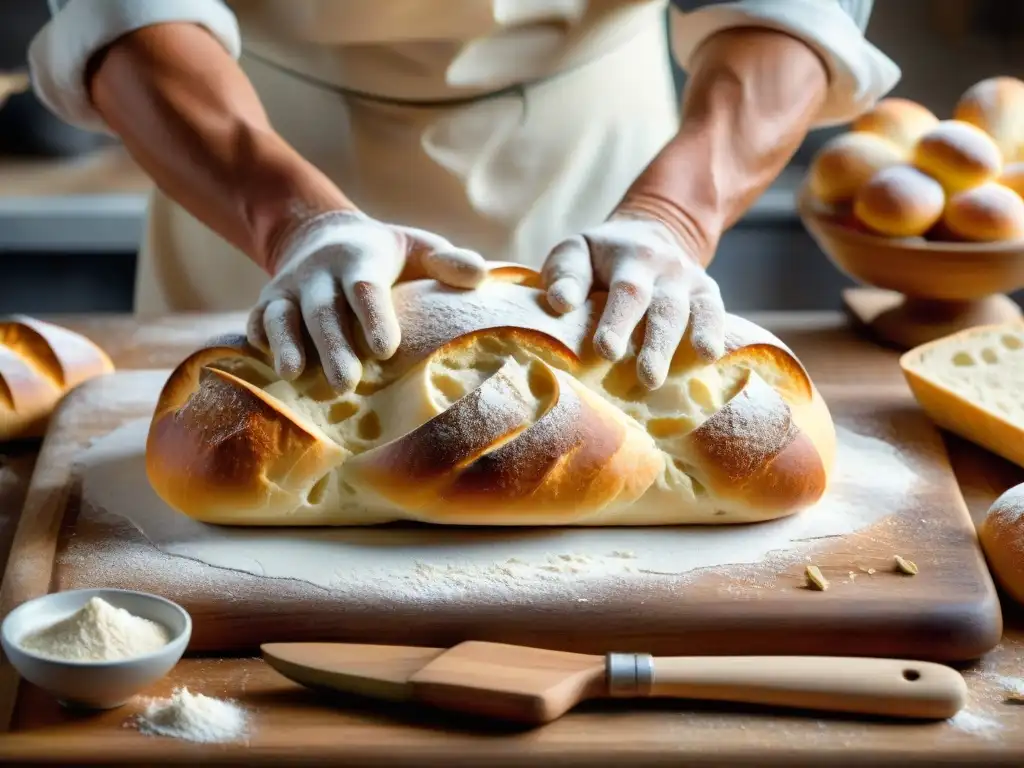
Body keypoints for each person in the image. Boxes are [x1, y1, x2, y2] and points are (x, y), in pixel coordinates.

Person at [28, 0, 898, 392]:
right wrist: (295, 221)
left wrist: (670, 218)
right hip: (248, 147)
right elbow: (123, 11)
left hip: (598, 152)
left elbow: (791, 10)